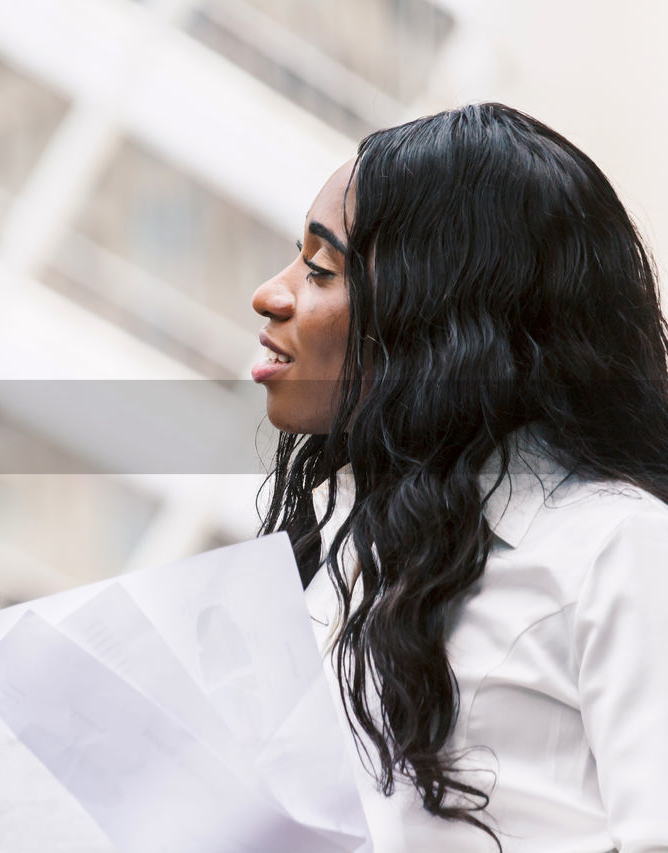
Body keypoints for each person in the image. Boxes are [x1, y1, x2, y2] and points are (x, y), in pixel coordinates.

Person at [251, 103, 668, 852]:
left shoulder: (620, 547)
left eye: (320, 268)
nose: (272, 295)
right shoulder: (340, 556)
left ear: (440, 315)